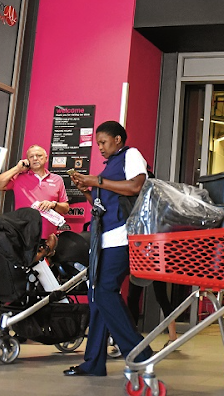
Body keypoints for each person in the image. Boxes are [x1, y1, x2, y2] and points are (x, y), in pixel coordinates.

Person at [63, 120, 153, 376]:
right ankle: (93, 362)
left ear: (118, 139)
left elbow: (136, 186)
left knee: (104, 293)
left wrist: (97, 180)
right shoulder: (109, 166)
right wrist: (89, 191)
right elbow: (104, 205)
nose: (99, 147)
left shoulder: (131, 155)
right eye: (97, 143)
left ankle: (139, 353)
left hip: (124, 238)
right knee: (97, 299)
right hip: (104, 238)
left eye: (103, 142)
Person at [0, 144, 70, 240]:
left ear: (46, 158)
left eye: (39, 156)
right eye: (31, 157)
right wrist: (17, 169)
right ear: (27, 160)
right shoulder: (19, 177)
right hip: (23, 236)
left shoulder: (57, 179)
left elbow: (66, 208)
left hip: (48, 236)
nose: (35, 159)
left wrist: (53, 204)